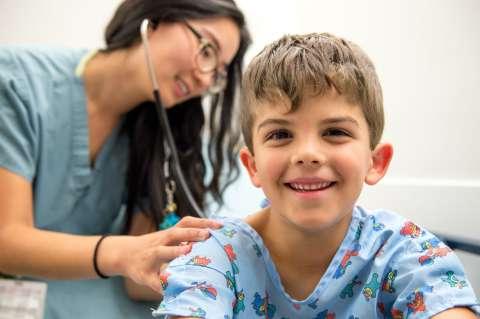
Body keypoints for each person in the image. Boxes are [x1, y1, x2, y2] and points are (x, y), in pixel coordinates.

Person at [153, 33, 480, 318]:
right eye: (280, 134)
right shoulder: (214, 255)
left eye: (335, 131)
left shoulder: (405, 251)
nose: (307, 153)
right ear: (252, 166)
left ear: (375, 161)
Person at [0, 0, 251, 318]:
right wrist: (123, 254)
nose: (205, 80)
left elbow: (138, 282)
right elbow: (5, 242)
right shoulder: (16, 84)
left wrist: (224, 271)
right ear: (156, 18)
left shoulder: (158, 134)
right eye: (207, 50)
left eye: (217, 74)